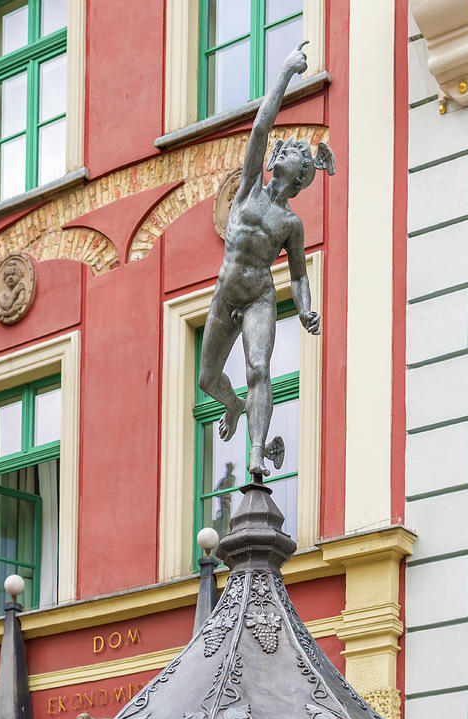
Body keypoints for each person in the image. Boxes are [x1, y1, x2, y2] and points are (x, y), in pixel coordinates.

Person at [198, 41, 335, 476]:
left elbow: (297, 275)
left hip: (258, 296)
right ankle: (235, 406)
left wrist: (305, 309)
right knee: (207, 380)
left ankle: (257, 454)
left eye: (294, 153)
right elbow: (260, 128)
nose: (284, 150)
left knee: (259, 367)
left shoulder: (289, 224)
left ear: (299, 176)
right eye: (287, 149)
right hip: (226, 294)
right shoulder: (249, 191)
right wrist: (285, 73)